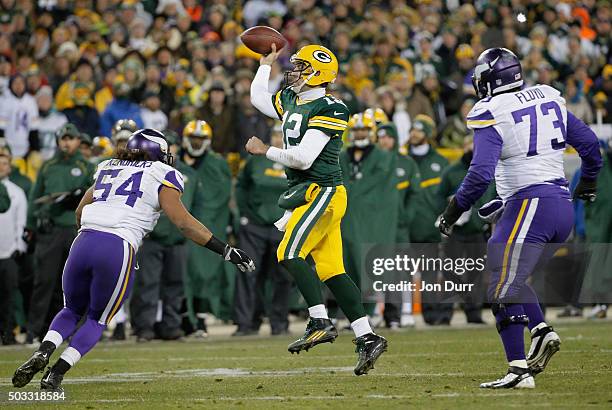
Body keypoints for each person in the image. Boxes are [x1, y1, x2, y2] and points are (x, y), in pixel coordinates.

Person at [12, 129, 255, 391]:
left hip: (83, 241)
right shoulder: (163, 173)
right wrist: (225, 250)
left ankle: (43, 351)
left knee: (71, 309)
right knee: (97, 319)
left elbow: (81, 210)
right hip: (118, 245)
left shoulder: (108, 166)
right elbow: (183, 223)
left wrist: (90, 235)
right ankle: (55, 374)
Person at [438, 48, 602, 389]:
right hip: (558, 207)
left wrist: (455, 209)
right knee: (513, 281)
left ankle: (526, 358)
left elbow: (480, 173)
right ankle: (534, 342)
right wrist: (587, 182)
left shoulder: (491, 109)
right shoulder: (549, 96)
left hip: (532, 204)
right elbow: (589, 145)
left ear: (491, 80)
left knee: (501, 284)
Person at [247, 43, 387, 375]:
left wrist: (265, 150)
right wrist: (264, 64)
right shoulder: (292, 99)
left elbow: (303, 158)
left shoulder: (332, 107)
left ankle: (319, 319)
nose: (292, 71)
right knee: (331, 271)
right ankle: (367, 337)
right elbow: (257, 97)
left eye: (300, 66)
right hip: (307, 193)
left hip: (324, 192)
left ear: (317, 73)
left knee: (289, 253)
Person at [25, 124, 95, 346]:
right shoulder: (48, 166)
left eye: (71, 138)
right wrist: (31, 225)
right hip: (52, 230)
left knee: (75, 284)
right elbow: (35, 198)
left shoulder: (86, 167)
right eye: (63, 138)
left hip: (76, 231)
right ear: (57, 141)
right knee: (44, 282)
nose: (67, 142)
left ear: (78, 141)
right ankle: (34, 330)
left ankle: (73, 330)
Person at [130, 130, 200, 341]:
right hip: (153, 236)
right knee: (147, 285)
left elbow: (193, 207)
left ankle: (171, 326)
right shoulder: (149, 173)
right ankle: (145, 327)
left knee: (175, 285)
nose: (172, 150)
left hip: (177, 238)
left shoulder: (189, 173)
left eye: (174, 145)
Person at [233, 124, 291, 336]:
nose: (278, 138)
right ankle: (245, 323)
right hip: (255, 226)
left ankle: (279, 323)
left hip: (283, 226)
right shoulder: (255, 160)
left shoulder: (296, 160)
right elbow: (241, 187)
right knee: (247, 273)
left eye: (281, 135)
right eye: (275, 134)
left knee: (282, 277)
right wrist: (245, 215)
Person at [181, 120, 232, 336]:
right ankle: (183, 318)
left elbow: (222, 196)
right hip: (181, 224)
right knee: (183, 275)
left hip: (207, 224)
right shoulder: (176, 163)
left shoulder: (216, 163)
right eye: (193, 139)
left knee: (203, 274)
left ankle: (199, 318)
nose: (196, 143)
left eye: (200, 139)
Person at [376, 122, 421, 328]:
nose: (384, 140)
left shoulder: (407, 163)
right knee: (372, 268)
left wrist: (407, 217)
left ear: (394, 139)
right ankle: (371, 313)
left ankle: (395, 314)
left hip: (399, 227)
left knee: (397, 271)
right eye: (381, 137)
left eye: (388, 137)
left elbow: (414, 194)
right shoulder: (372, 162)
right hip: (376, 225)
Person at [407, 115, 450, 325]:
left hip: (430, 229)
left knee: (431, 277)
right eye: (412, 130)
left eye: (419, 130)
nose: (414, 134)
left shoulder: (441, 162)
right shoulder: (401, 161)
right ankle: (398, 317)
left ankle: (433, 316)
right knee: (398, 275)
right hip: (405, 228)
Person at [0, 152, 27, 344]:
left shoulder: (16, 191)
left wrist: (19, 246)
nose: (1, 167)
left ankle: (8, 333)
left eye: (4, 163)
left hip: (8, 251)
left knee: (9, 295)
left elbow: (21, 222)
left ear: (10, 167)